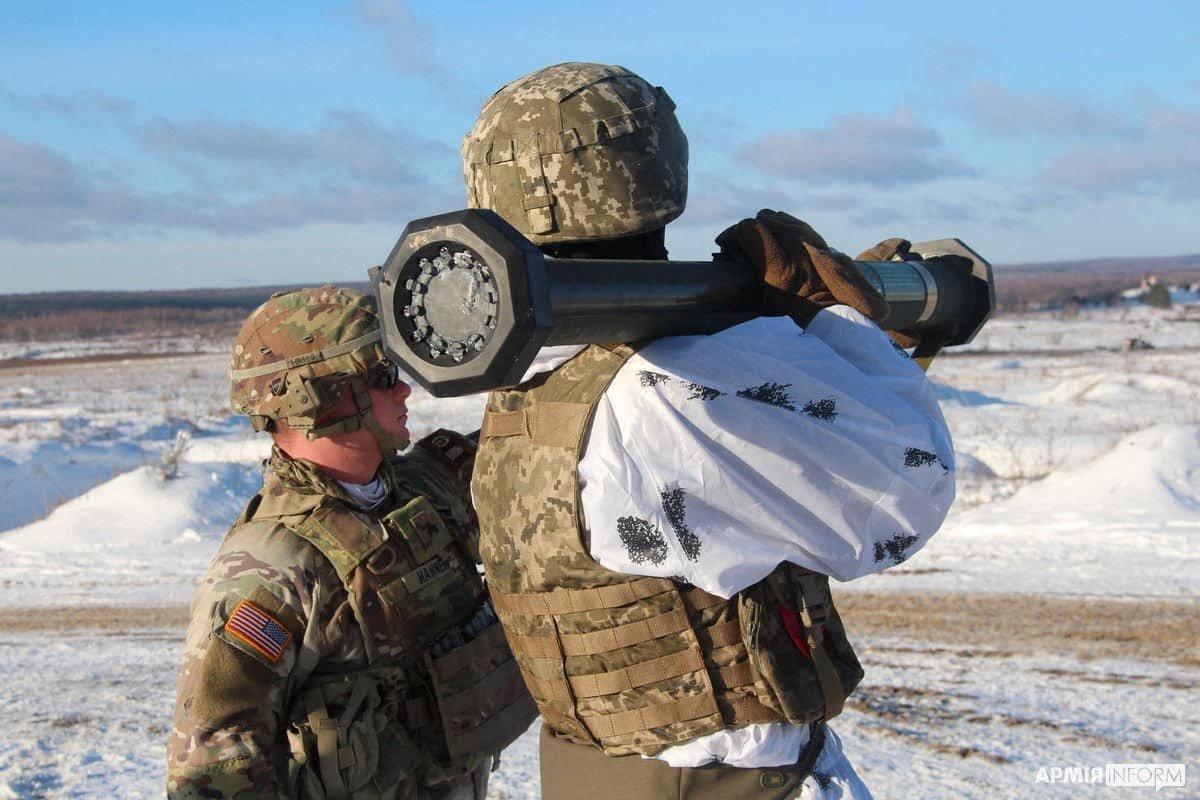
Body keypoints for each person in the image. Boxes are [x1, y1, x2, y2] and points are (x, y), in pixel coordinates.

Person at [462, 63, 956, 799]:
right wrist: (827, 320)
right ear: (657, 167)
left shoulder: (533, 376)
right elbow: (908, 489)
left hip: (592, 773)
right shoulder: (675, 385)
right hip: (720, 781)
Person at [166, 286, 534, 800]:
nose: (404, 392)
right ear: (321, 399)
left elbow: (534, 445)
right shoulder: (272, 567)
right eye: (384, 378)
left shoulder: (427, 489)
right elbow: (214, 768)